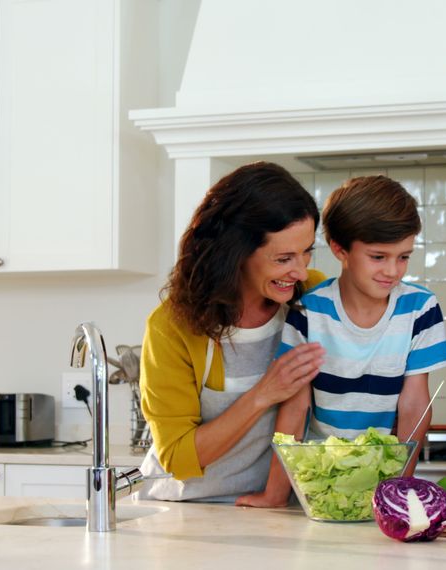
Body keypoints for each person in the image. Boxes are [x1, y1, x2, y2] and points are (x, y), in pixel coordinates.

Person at [238, 175, 446, 507]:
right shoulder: (310, 310)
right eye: (378, 257)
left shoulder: (420, 308)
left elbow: (414, 407)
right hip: (320, 480)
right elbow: (296, 406)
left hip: (386, 475)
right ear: (341, 250)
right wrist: (275, 494)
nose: (393, 271)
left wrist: (395, 490)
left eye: (404, 256)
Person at [138, 161, 327, 502]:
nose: (300, 272)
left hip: (274, 507)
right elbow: (178, 457)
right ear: (235, 253)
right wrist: (263, 394)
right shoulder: (172, 327)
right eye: (283, 259)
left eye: (307, 252)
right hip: (190, 510)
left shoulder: (313, 294)